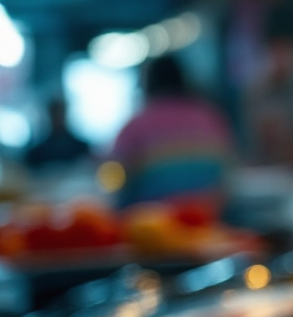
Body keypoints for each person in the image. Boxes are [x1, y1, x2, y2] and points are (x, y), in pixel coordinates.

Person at [110, 55, 234, 207]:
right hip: (209, 216)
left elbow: (116, 178)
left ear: (147, 84)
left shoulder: (135, 126)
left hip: (153, 222)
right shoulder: (210, 116)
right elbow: (229, 172)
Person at [25, 99, 91, 170]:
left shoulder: (81, 148)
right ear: (50, 115)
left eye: (61, 113)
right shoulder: (37, 153)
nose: (58, 117)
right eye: (55, 114)